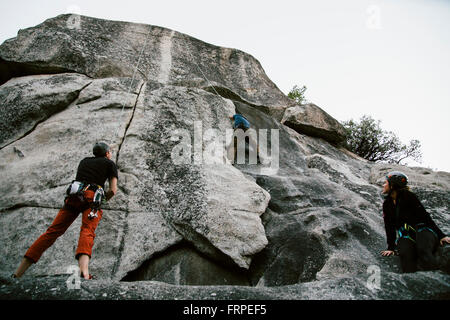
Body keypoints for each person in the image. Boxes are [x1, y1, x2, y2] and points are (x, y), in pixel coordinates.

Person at [13, 142, 118, 280]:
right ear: (107, 153)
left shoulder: (84, 161)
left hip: (74, 196)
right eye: (109, 152)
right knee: (87, 231)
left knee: (52, 232)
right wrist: (101, 201)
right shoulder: (109, 164)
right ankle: (84, 272)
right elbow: (112, 190)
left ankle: (17, 273)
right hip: (91, 198)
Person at [380, 171, 450, 273]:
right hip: (407, 234)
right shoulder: (387, 204)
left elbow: (425, 216)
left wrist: (441, 236)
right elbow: (389, 226)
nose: (383, 185)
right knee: (405, 253)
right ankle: (413, 282)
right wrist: (391, 247)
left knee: (423, 249)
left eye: (385, 183)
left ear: (393, 186)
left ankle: (435, 278)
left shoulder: (409, 197)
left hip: (423, 229)